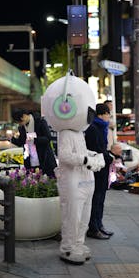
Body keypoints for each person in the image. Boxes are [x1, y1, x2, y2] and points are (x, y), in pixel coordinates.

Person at [42, 72, 105, 265]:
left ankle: (79, 243)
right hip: (73, 181)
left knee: (84, 216)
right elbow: (65, 156)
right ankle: (68, 248)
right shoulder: (66, 133)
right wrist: (86, 159)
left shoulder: (79, 133)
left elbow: (81, 153)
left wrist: (94, 157)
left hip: (85, 180)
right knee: (72, 216)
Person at [85, 103, 114, 240]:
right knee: (96, 199)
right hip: (97, 168)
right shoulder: (94, 128)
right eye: (108, 113)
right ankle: (93, 228)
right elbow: (97, 150)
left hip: (103, 166)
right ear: (102, 114)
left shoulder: (102, 127)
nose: (109, 116)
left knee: (101, 198)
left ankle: (99, 224)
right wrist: (110, 156)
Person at [11, 108, 57, 177]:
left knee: (49, 181)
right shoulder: (22, 128)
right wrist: (12, 139)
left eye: (20, 122)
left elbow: (48, 138)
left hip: (44, 158)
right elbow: (22, 142)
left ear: (24, 116)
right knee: (33, 182)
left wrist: (34, 140)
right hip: (30, 161)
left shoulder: (40, 121)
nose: (20, 124)